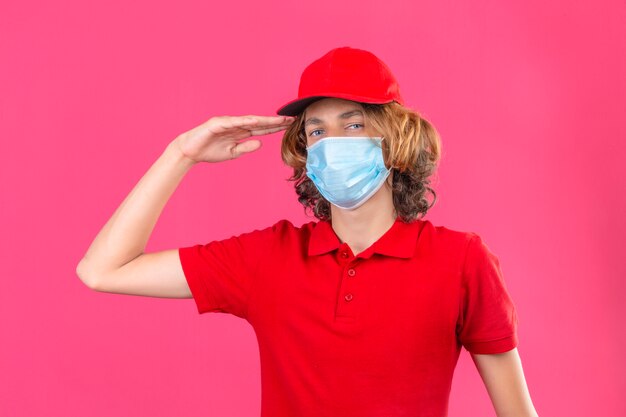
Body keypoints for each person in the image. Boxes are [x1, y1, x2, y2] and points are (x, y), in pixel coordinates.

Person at [76, 46, 538, 417]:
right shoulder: (267, 258)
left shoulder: (461, 260)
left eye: (353, 124)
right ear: (304, 153)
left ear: (394, 139)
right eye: (316, 131)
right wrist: (181, 154)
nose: (332, 142)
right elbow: (104, 270)